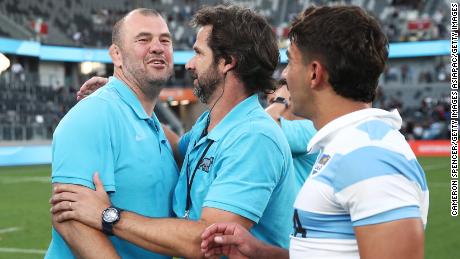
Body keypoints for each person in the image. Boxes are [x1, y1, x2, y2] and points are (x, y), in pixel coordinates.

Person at [50, 5, 295, 258]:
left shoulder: (253, 137)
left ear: (227, 63)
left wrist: (109, 217)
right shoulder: (206, 124)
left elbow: (205, 239)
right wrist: (127, 102)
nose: (188, 64)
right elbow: (68, 216)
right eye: (143, 39)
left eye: (198, 53)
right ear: (117, 54)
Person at [200, 5, 428, 259]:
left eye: (291, 62)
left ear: (314, 73)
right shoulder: (349, 146)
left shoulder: (370, 156)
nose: (285, 74)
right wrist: (261, 252)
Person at [45, 9, 179, 259]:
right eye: (143, 39)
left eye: (165, 40)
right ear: (116, 54)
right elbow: (71, 221)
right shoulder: (93, 114)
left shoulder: (150, 123)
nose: (158, 47)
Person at [265, 79, 317, 190]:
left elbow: (264, 123)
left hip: (301, 206)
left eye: (275, 102)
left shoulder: (310, 128)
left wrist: (280, 100)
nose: (272, 108)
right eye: (271, 102)